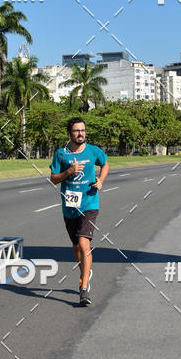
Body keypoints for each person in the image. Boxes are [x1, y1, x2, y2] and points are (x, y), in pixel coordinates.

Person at [50, 118, 109, 306]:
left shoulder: (93, 151)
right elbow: (53, 179)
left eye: (83, 130)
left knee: (84, 244)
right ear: (69, 133)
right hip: (70, 207)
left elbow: (105, 163)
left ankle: (84, 288)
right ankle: (85, 268)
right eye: (76, 131)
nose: (80, 134)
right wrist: (69, 171)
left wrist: (101, 179)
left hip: (89, 203)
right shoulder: (61, 154)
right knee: (76, 247)